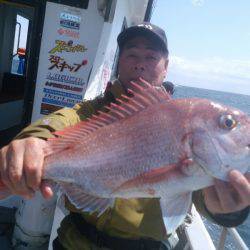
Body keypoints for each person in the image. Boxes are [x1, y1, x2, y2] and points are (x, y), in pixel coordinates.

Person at [0, 22, 249, 250]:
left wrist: (229, 211)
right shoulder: (92, 112)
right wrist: (33, 142)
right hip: (74, 242)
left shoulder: (181, 125)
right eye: (131, 54)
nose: (140, 63)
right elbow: (59, 122)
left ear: (166, 67)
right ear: (120, 62)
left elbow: (202, 196)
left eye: (151, 56)